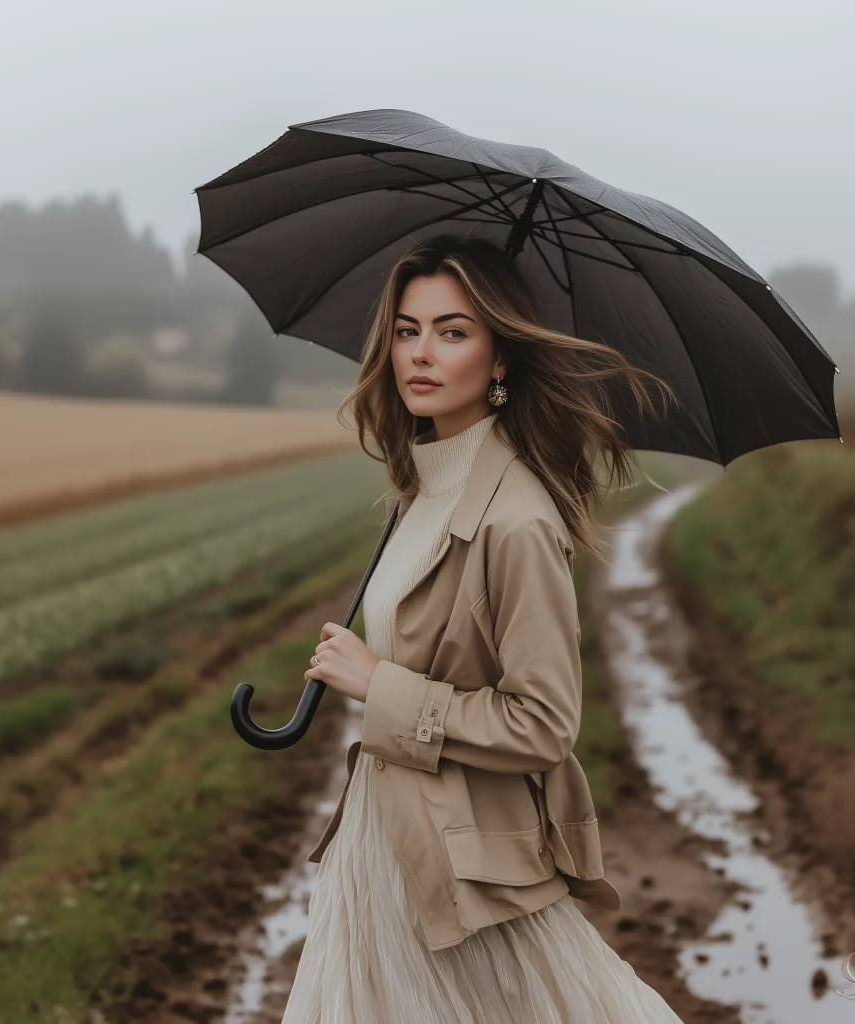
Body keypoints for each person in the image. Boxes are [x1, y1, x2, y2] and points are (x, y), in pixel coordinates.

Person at [282, 234, 684, 1023]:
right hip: (383, 846)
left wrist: (377, 684)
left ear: (499, 360)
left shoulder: (518, 518)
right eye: (407, 330)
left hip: (463, 872)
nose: (420, 354)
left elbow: (544, 725)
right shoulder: (419, 490)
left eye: (453, 331)